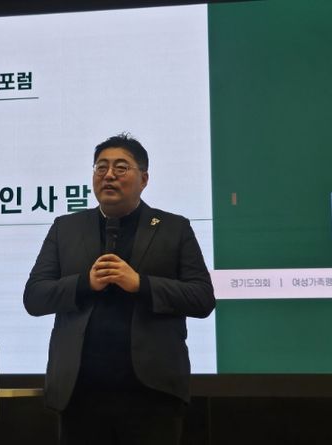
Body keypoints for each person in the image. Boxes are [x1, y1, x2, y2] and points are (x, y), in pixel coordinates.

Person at [23, 133, 215, 445]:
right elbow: (34, 297)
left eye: (121, 167)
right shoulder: (66, 228)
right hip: (80, 394)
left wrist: (141, 284)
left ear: (144, 178)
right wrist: (85, 283)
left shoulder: (173, 228)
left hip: (152, 395)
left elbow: (202, 298)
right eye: (101, 167)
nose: (109, 175)